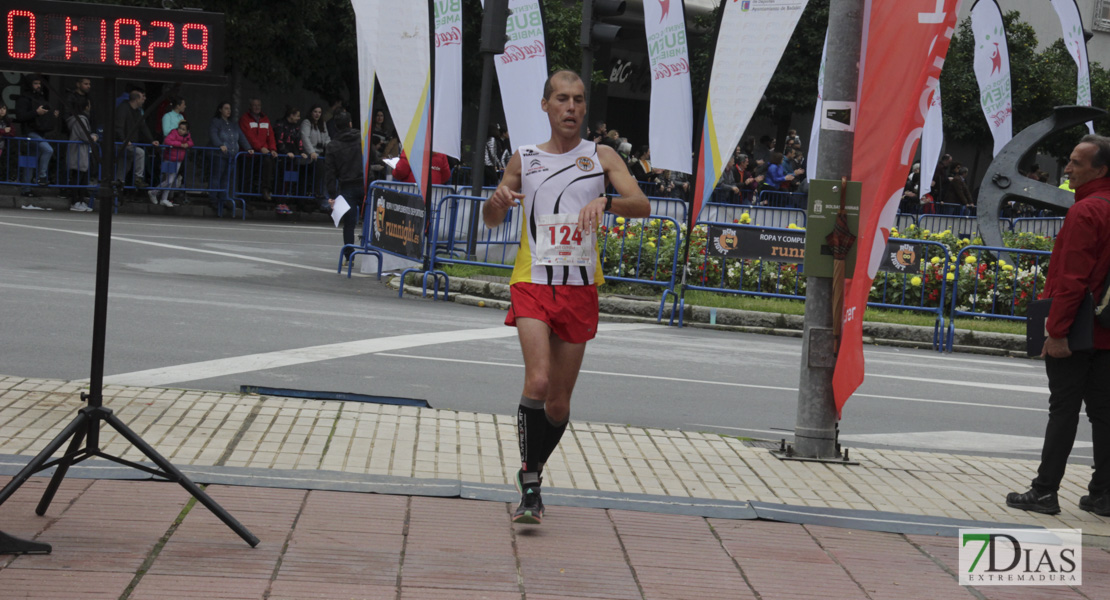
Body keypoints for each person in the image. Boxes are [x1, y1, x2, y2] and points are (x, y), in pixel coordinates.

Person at [481, 70, 649, 525]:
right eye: (561, 99)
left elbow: (642, 204)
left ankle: (529, 470)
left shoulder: (602, 155)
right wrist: (497, 201)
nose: (570, 107)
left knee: (557, 404)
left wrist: (606, 203)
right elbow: (492, 218)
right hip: (532, 280)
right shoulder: (526, 157)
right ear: (546, 106)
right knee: (536, 382)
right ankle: (532, 489)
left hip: (578, 285)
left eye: (577, 100)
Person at [1006, 135, 1110, 517]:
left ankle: (1045, 491)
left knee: (1063, 410)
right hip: (1107, 331)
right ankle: (1103, 494)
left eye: (1076, 163)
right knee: (1105, 413)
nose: (1066, 168)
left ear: (1100, 170)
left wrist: (1057, 331)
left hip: (1077, 329)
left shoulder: (1086, 213)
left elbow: (1072, 279)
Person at [324, 112, 364, 261]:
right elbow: (372, 156)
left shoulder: (333, 145)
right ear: (350, 124)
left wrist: (332, 194)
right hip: (364, 182)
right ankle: (371, 251)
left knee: (349, 224)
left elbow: (330, 172)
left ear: (336, 127)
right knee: (372, 219)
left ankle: (349, 256)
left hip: (347, 186)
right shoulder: (361, 138)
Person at [14, 74, 58, 200]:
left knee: (30, 161)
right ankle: (41, 176)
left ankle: (26, 189)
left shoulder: (41, 97)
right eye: (35, 83)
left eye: (39, 83)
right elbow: (21, 116)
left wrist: (51, 115)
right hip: (30, 132)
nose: (39, 86)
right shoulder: (23, 99)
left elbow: (44, 114)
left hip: (39, 132)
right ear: (29, 84)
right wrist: (36, 112)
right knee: (48, 150)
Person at [208, 101, 252, 211]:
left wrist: (248, 147)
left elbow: (241, 136)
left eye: (229, 109)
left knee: (226, 179)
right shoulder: (216, 122)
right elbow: (213, 134)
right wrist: (219, 144)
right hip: (219, 155)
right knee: (216, 177)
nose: (228, 111)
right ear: (220, 110)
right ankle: (213, 199)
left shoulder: (233, 124)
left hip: (231, 155)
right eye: (226, 108)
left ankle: (224, 199)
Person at [113, 88, 157, 193]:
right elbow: (118, 126)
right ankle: (138, 178)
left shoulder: (136, 112)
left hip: (126, 143)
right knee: (140, 153)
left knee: (123, 167)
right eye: (143, 97)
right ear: (136, 99)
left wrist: (151, 140)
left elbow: (143, 126)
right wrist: (123, 139)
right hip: (122, 143)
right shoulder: (123, 109)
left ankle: (117, 188)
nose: (144, 99)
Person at [239, 98, 278, 201]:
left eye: (259, 105)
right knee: (248, 178)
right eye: (254, 105)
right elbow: (249, 136)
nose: (257, 107)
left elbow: (271, 136)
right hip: (249, 154)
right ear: (250, 107)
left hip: (263, 153)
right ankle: (246, 200)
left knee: (268, 168)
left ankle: (266, 190)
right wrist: (260, 148)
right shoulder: (245, 119)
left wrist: (273, 149)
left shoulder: (265, 119)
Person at [64, 96, 97, 212]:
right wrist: (93, 137)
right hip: (79, 152)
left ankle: (80, 201)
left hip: (79, 152)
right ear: (86, 106)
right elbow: (85, 136)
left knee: (81, 178)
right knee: (78, 177)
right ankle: (75, 201)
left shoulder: (76, 119)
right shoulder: (81, 119)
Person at [155, 120, 192, 207]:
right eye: (180, 128)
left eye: (183, 129)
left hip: (178, 160)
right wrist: (180, 144)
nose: (180, 130)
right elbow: (168, 141)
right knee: (169, 180)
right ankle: (154, 191)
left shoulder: (187, 136)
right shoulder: (173, 132)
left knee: (170, 181)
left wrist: (187, 144)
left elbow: (191, 143)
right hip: (170, 159)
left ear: (187, 131)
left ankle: (164, 198)